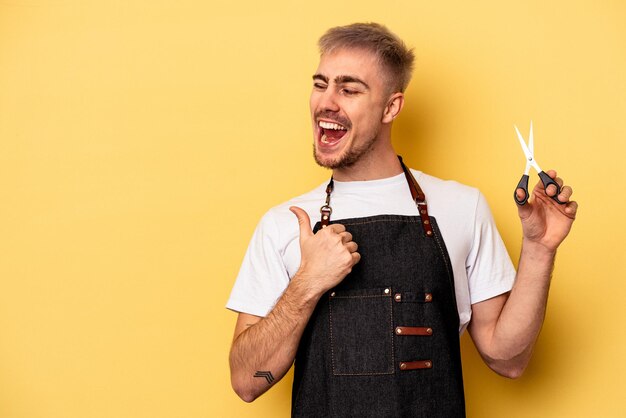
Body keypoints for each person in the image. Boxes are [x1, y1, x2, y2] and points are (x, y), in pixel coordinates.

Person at [226, 22, 577, 417]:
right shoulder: (285, 223)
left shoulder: (461, 207)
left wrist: (539, 249)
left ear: (391, 106)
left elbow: (507, 359)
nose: (326, 101)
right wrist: (307, 283)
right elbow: (246, 381)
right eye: (320, 84)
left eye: (349, 88)